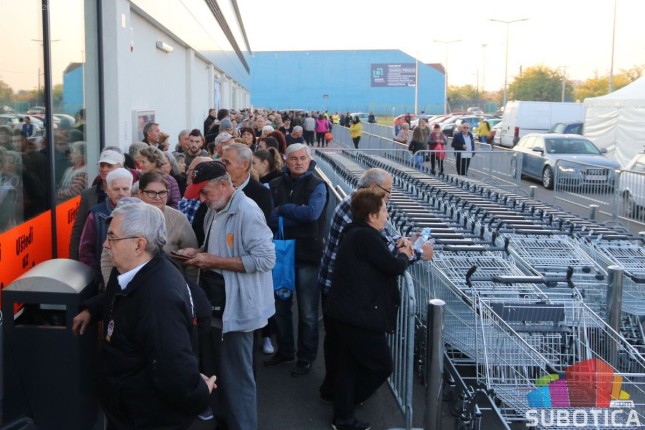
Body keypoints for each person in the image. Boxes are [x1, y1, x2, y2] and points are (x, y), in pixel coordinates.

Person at [72, 202, 216, 429]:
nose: (106, 244)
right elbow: (121, 297)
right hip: (127, 408)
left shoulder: (159, 299)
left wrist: (198, 392)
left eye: (112, 237)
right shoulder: (133, 269)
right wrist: (93, 309)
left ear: (139, 245)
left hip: (146, 418)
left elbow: (173, 366)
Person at [317, 168, 433, 405]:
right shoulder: (354, 210)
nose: (389, 197)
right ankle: (340, 396)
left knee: (345, 352)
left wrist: (405, 243)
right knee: (349, 351)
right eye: (387, 191)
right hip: (345, 294)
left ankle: (339, 398)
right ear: (373, 188)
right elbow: (381, 254)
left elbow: (382, 239)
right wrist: (417, 252)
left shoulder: (362, 206)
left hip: (344, 292)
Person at [178, 161, 276, 430]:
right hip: (218, 303)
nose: (201, 199)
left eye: (204, 192)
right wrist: (197, 252)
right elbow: (215, 248)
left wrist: (212, 260)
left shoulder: (247, 211)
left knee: (237, 377)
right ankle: (225, 421)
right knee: (218, 371)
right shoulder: (215, 209)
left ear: (223, 185)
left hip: (238, 309)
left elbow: (265, 259)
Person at [324, 188, 413, 430]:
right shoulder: (365, 237)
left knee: (349, 365)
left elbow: (379, 259)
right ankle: (348, 404)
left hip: (346, 312)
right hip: (359, 315)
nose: (387, 215)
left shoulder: (356, 233)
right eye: (384, 211)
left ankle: (343, 416)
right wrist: (405, 254)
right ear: (372, 216)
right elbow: (393, 266)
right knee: (382, 365)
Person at [265, 143, 328, 376]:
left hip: (307, 254)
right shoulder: (273, 185)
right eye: (294, 158)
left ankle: (306, 357)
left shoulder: (318, 185)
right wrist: (295, 214)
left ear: (308, 160)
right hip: (281, 254)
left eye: (303, 158)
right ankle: (285, 350)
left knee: (308, 312)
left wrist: (283, 209)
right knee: (280, 306)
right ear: (286, 160)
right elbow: (268, 218)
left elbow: (312, 214)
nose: (299, 162)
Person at [70, 149, 126, 260]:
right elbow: (79, 228)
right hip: (95, 256)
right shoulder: (88, 194)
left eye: (109, 166)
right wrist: (75, 258)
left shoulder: (129, 192)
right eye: (102, 165)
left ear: (120, 168)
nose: (104, 169)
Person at [78, 168, 133, 273]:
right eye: (116, 189)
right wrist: (97, 275)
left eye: (125, 189)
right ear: (108, 190)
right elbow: (85, 250)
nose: (121, 193)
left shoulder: (140, 212)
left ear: (131, 190)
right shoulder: (96, 214)